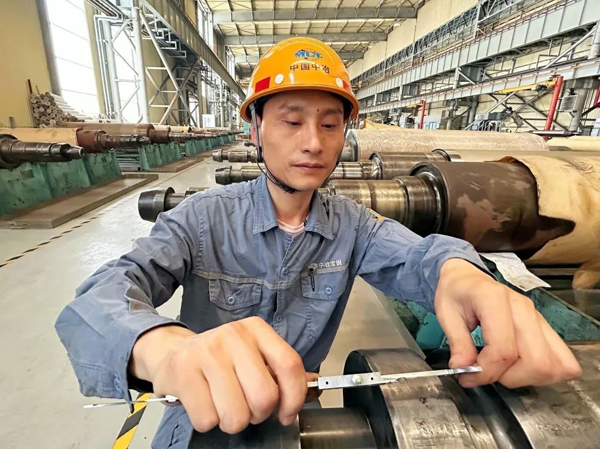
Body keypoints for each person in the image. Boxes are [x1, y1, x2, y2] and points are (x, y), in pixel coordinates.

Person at [55, 38, 581, 448]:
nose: (313, 143)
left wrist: (462, 274)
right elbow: (101, 297)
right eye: (291, 121)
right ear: (255, 128)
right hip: (199, 419)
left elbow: (422, 257)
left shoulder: (354, 225)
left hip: (300, 419)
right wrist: (166, 350)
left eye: (330, 124)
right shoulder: (201, 219)